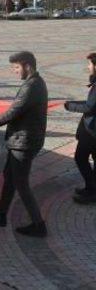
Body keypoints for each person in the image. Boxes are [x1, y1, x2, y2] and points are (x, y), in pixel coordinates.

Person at [0, 52, 48, 237]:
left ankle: (38, 225)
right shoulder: (34, 83)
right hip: (21, 140)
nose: (14, 71)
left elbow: (13, 112)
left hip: (24, 142)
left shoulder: (32, 86)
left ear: (27, 65)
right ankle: (1, 214)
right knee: (9, 177)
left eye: (16, 67)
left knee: (21, 183)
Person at [64, 52, 96, 204]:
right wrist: (73, 102)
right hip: (92, 128)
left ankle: (92, 190)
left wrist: (70, 106)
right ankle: (91, 189)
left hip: (92, 131)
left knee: (80, 157)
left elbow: (90, 107)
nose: (88, 66)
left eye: (90, 64)